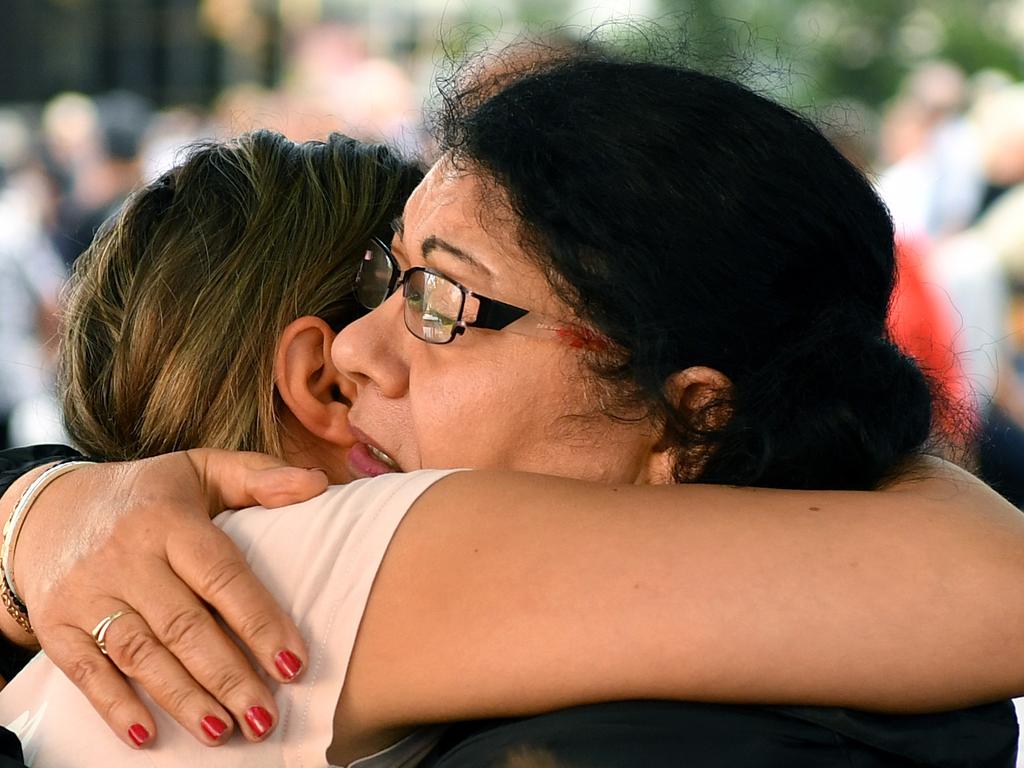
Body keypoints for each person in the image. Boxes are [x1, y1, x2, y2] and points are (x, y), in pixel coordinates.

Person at [1, 46, 1023, 767]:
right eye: (390, 276)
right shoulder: (318, 553)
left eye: (437, 300)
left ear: (690, 415)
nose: (361, 351)